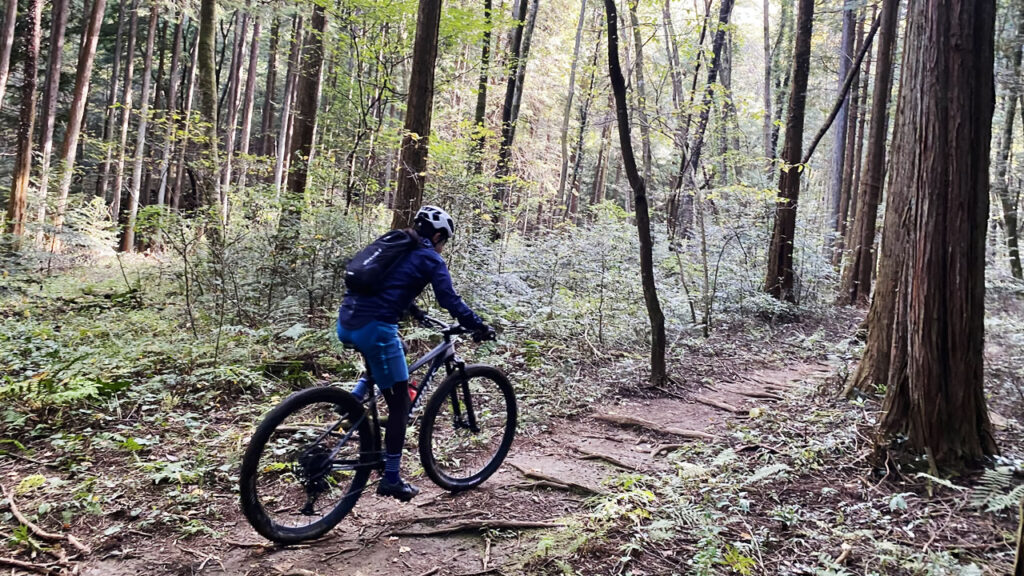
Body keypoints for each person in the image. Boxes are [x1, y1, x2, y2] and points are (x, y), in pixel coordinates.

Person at [336, 205, 495, 501]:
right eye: (444, 240)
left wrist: (416, 311)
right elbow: (449, 299)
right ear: (436, 235)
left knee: (400, 348)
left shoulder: (398, 245)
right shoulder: (430, 258)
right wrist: (478, 325)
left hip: (346, 322)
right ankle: (392, 479)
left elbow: (387, 284)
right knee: (399, 407)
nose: (443, 246)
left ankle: (354, 400)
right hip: (374, 329)